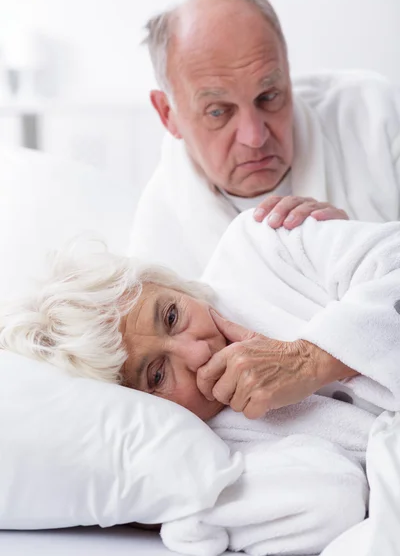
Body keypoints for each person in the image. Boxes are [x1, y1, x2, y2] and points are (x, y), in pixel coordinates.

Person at [2, 212, 399, 554]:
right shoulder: (201, 457)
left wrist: (314, 359)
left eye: (172, 316)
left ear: (167, 284)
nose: (196, 354)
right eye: (157, 375)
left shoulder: (263, 243)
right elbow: (331, 497)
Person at [130, 0, 400, 279]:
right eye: (218, 112)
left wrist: (366, 248)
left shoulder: (376, 115)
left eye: (269, 96)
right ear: (168, 115)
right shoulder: (156, 244)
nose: (255, 136)